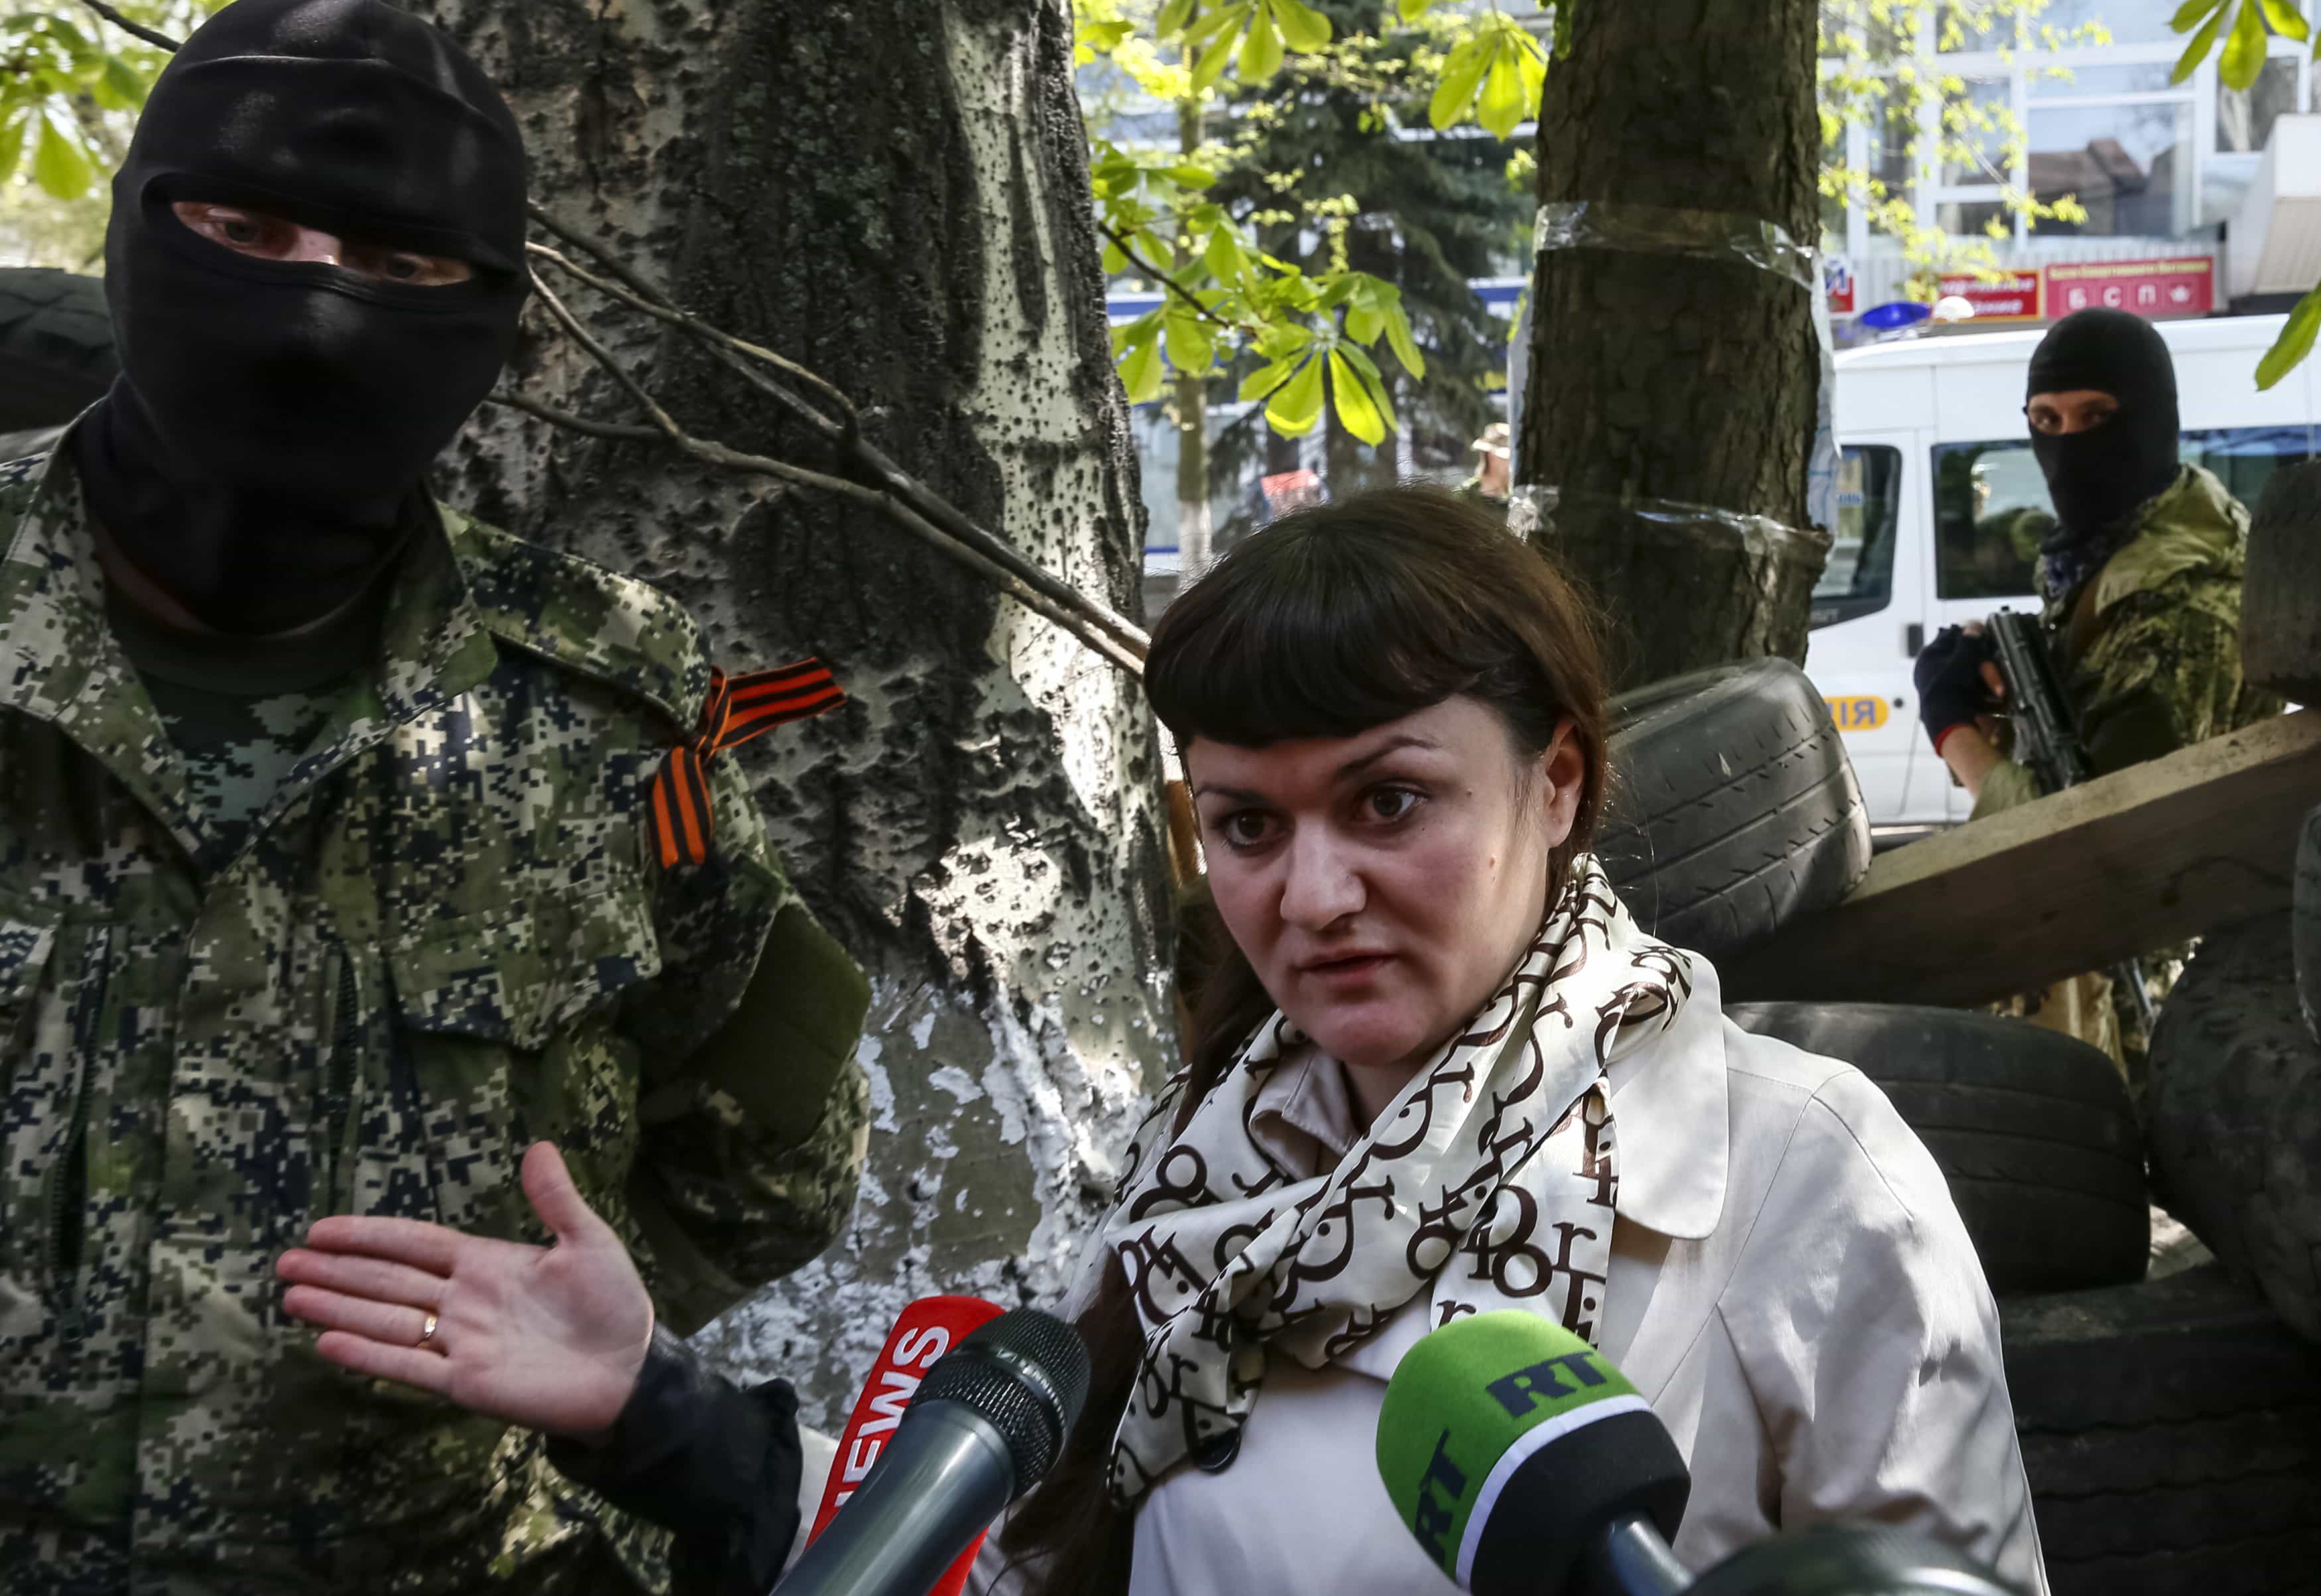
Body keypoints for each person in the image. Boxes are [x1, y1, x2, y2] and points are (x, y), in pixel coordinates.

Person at [267, 491, 2048, 1596]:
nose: (1315, 888)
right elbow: (1021, 1552)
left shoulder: (1799, 1175)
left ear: (1559, 778)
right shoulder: (1206, 1177)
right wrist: (654, 1408)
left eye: (1391, 798)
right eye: (1247, 824)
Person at [0, 0, 870, 1591]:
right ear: (135, 235)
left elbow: (775, 1140)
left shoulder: (612, 706)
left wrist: (551, 1359)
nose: (314, 306)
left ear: (490, 319)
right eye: (244, 228)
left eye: (399, 270)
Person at [1913, 308, 2282, 1070]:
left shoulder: (2180, 601)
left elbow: (2097, 854)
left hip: (2146, 1011)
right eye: (2045, 419)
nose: (2068, 444)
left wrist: (1955, 732)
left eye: (2095, 417)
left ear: (2149, 419)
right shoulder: (2111, 557)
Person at [1457, 420, 1511, 502]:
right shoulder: (1463, 497)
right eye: (1507, 459)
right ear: (1491, 456)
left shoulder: (1516, 501)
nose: (1511, 464)